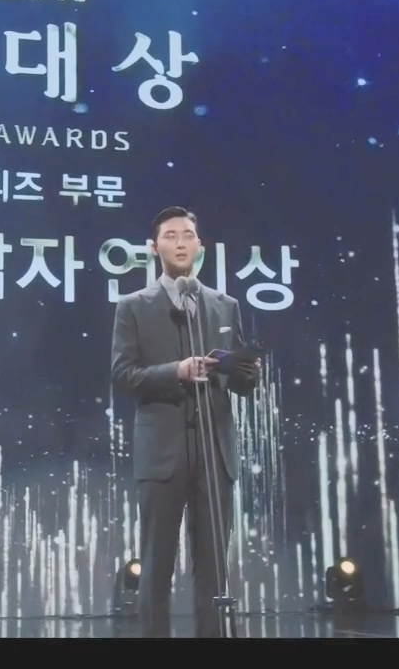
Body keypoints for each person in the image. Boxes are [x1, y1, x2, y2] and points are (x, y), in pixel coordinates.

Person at [110, 206, 261, 638]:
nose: (180, 242)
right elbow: (123, 375)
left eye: (188, 235)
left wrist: (248, 374)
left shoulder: (225, 305)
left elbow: (239, 383)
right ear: (154, 247)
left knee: (213, 568)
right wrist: (175, 372)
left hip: (215, 450)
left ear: (200, 246)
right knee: (156, 564)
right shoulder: (133, 306)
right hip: (162, 453)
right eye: (171, 235)